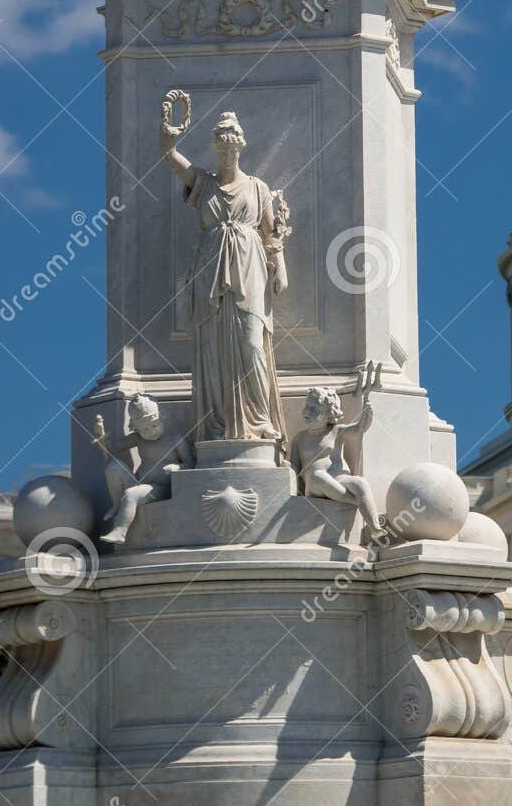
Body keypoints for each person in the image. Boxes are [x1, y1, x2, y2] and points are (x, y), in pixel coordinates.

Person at [159, 99, 288, 442]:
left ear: (240, 148)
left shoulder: (258, 188)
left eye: (232, 148)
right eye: (222, 148)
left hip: (249, 263)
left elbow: (271, 232)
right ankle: (219, 423)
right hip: (211, 265)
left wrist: (280, 269)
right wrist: (167, 139)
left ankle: (259, 419)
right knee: (213, 347)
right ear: (216, 148)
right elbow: (173, 161)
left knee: (252, 343)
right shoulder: (203, 183)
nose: (228, 154)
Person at [290, 364, 383, 540]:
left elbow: (359, 428)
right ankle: (355, 502)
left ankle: (375, 526)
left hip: (339, 477)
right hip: (314, 483)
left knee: (361, 483)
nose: (307, 412)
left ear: (329, 414)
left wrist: (367, 415)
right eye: (307, 407)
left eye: (314, 409)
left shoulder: (337, 431)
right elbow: (294, 467)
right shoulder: (299, 438)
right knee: (319, 475)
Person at [95, 394, 194, 545]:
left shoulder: (175, 439)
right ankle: (116, 505)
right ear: (136, 429)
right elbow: (112, 449)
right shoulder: (137, 438)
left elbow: (190, 463)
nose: (151, 431)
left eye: (154, 425)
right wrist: (101, 435)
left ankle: (120, 531)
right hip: (139, 482)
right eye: (145, 429)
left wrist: (177, 467)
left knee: (130, 495)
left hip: (160, 488)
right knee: (114, 467)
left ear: (162, 418)